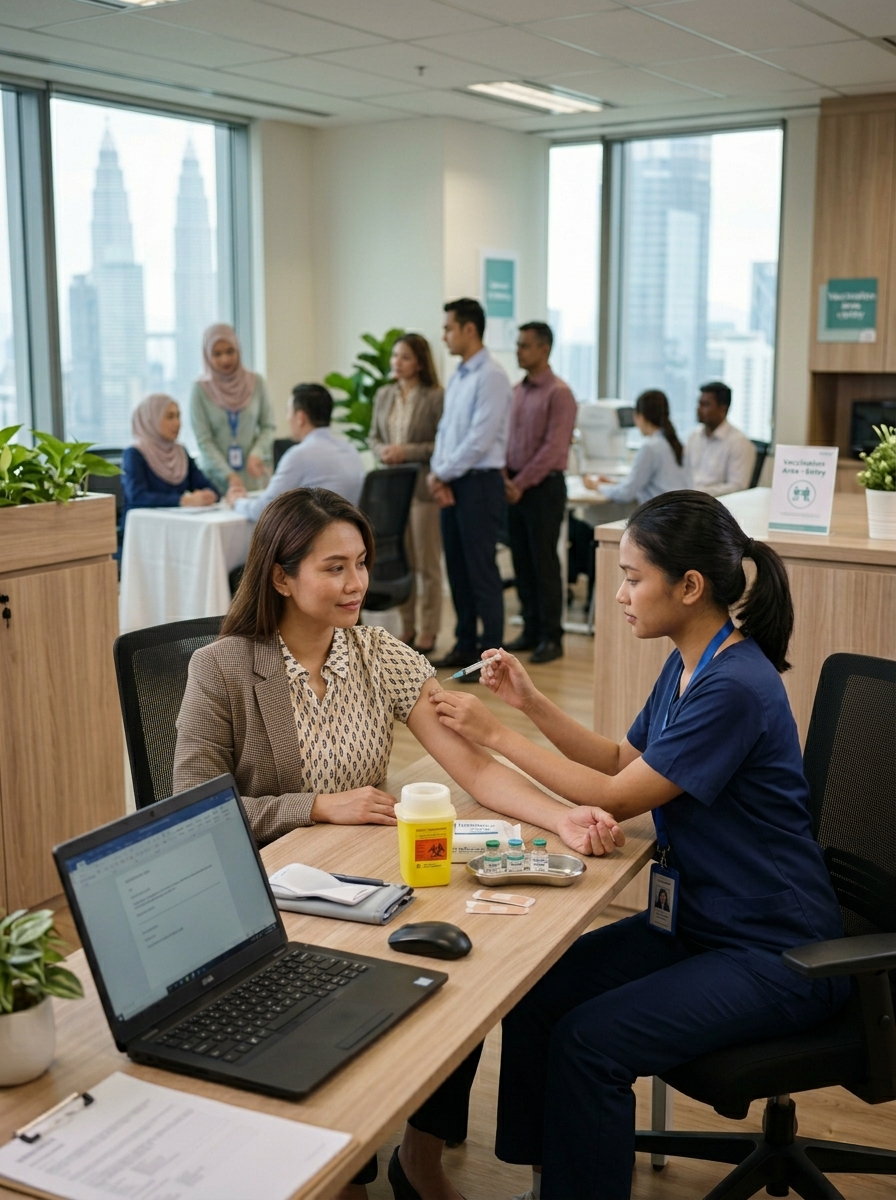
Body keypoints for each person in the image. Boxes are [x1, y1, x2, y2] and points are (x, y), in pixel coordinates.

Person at [172, 486, 620, 1200]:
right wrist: (312, 805)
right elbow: (188, 812)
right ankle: (335, 1161)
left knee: (466, 968)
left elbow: (470, 763)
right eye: (334, 568)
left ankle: (420, 1155)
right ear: (282, 576)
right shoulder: (222, 668)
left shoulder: (378, 654)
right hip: (270, 898)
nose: (357, 585)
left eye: (361, 564)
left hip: (362, 881)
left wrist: (560, 815)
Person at [423, 490, 849, 1200]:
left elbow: (617, 800)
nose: (617, 594)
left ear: (689, 587)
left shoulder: (733, 685)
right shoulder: (691, 662)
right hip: (704, 924)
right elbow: (621, 760)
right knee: (535, 994)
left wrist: (494, 734)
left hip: (777, 952)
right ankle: (545, 1178)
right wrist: (528, 702)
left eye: (632, 577)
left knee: (592, 1043)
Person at [428, 298, 512, 679]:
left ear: (469, 329)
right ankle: (464, 646)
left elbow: (480, 440)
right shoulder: (460, 375)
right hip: (453, 481)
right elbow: (445, 433)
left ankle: (490, 655)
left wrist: (442, 473)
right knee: (457, 571)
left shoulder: (491, 375)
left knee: (481, 571)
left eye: (448, 328)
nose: (444, 335)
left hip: (479, 483)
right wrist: (438, 473)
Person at [504, 321, 577, 666]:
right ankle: (531, 628)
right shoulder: (517, 391)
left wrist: (520, 483)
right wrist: (506, 477)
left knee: (543, 561)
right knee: (521, 561)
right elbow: (506, 439)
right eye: (518, 344)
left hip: (543, 487)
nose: (519, 350)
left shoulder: (559, 393)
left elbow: (553, 449)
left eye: (525, 345)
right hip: (514, 485)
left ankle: (552, 636)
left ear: (544, 349)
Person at [369, 334, 444, 654]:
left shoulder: (435, 397)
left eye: (404, 357)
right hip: (391, 490)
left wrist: (406, 451)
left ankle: (429, 631)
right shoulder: (384, 394)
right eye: (395, 356)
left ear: (420, 363)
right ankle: (408, 626)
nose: (396, 363)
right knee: (401, 561)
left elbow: (439, 445)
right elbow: (372, 436)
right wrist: (382, 450)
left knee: (426, 564)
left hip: (422, 491)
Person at [226, 384, 365, 519]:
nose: (287, 418)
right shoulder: (351, 450)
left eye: (288, 411)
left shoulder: (299, 455)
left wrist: (237, 502)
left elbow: (265, 509)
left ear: (300, 418)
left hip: (316, 539)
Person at [190, 323, 276, 495]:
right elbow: (204, 440)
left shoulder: (256, 382)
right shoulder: (200, 389)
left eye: (230, 351)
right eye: (217, 354)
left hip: (253, 478)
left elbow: (269, 426)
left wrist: (257, 453)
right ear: (207, 355)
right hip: (215, 481)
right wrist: (228, 475)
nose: (225, 360)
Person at [122, 393, 218, 519]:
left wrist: (208, 495)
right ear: (152, 419)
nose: (177, 423)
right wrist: (183, 500)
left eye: (178, 416)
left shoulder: (180, 451)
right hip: (145, 526)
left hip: (178, 523)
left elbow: (204, 484)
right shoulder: (134, 454)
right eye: (170, 417)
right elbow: (138, 496)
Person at [585, 388, 686, 506]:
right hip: (678, 514)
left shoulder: (650, 447)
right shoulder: (675, 444)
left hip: (660, 516)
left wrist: (597, 486)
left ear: (640, 416)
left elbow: (626, 494)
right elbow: (648, 484)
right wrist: (614, 484)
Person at [684, 380, 757, 496]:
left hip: (716, 507)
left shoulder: (739, 442)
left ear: (723, 408)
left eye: (706, 405)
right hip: (688, 502)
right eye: (699, 404)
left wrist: (699, 494)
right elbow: (684, 474)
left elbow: (738, 487)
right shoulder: (694, 436)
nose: (699, 409)